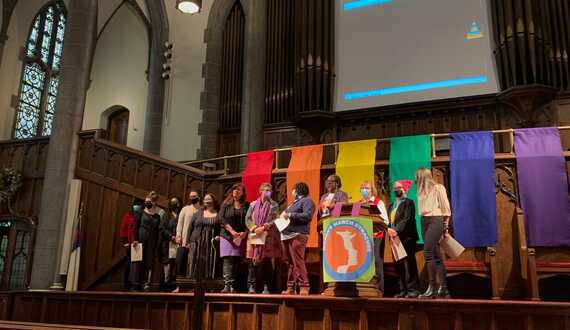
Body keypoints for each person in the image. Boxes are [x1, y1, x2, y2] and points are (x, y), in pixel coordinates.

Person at [416, 168, 452, 299]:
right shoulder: (420, 191)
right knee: (436, 256)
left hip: (435, 220)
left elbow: (446, 208)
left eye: (417, 176)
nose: (416, 179)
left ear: (423, 176)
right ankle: (444, 288)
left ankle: (432, 288)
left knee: (428, 253)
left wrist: (446, 226)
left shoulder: (438, 188)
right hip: (424, 221)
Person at [245, 183, 281, 294]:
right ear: (260, 191)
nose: (267, 192)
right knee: (252, 261)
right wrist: (254, 228)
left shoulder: (274, 204)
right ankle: (251, 285)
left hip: (268, 236)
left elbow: (276, 219)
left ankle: (266, 286)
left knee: (267, 262)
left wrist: (265, 226)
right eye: (265, 190)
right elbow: (247, 218)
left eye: (269, 190)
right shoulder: (253, 204)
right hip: (255, 234)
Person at [280, 182, 315, 295]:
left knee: (298, 261)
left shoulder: (307, 201)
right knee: (290, 263)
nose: (292, 192)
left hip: (298, 234)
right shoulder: (293, 203)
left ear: (297, 190)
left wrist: (290, 215)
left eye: (293, 189)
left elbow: (307, 216)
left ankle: (304, 286)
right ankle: (290, 287)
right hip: (286, 235)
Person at [389, 180, 420, 298]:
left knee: (409, 264)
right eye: (395, 188)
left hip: (407, 237)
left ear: (404, 189)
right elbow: (388, 220)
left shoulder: (409, 203)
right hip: (394, 238)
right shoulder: (391, 205)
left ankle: (413, 289)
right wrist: (389, 229)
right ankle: (402, 289)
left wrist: (396, 230)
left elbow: (407, 219)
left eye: (399, 187)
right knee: (399, 264)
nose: (396, 190)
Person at [359, 180, 389, 294]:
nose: (364, 190)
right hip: (362, 236)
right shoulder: (358, 204)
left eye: (367, 188)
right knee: (364, 261)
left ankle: (379, 288)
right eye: (362, 188)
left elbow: (385, 220)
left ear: (372, 190)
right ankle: (365, 286)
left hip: (376, 235)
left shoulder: (378, 203)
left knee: (376, 260)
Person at [219, 184, 248, 293]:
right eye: (234, 189)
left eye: (239, 190)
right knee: (228, 259)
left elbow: (250, 220)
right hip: (227, 236)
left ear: (243, 193)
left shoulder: (246, 205)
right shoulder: (226, 204)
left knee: (236, 260)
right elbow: (221, 219)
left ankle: (233, 286)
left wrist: (245, 232)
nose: (236, 191)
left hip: (240, 236)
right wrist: (232, 231)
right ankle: (227, 284)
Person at [187, 193, 221, 281]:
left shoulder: (219, 214)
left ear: (214, 201)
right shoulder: (198, 213)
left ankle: (208, 283)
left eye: (209, 199)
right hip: (197, 241)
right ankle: (193, 284)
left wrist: (219, 236)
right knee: (195, 262)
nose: (207, 201)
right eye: (205, 200)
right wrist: (188, 242)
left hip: (211, 242)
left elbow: (222, 227)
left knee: (209, 262)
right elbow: (190, 227)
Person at [131, 191, 161, 291]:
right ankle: (135, 284)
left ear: (154, 202)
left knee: (148, 262)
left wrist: (156, 244)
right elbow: (135, 226)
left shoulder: (157, 216)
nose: (147, 203)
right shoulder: (139, 212)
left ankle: (144, 283)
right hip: (140, 238)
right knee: (137, 261)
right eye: (146, 201)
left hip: (151, 240)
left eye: (149, 201)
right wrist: (135, 239)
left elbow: (157, 231)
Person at [119, 198, 144, 291]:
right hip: (130, 245)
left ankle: (137, 284)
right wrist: (125, 242)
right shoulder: (128, 215)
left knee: (138, 266)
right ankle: (127, 284)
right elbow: (122, 229)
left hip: (138, 245)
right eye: (135, 205)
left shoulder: (142, 216)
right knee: (128, 265)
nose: (136, 207)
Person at [175, 190, 201, 277]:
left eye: (194, 196)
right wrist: (178, 236)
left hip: (196, 240)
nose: (192, 198)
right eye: (191, 196)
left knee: (193, 263)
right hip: (184, 239)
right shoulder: (185, 209)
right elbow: (180, 224)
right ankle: (179, 285)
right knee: (181, 262)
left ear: (199, 197)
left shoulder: (202, 210)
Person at [159, 196, 182, 290]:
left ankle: (175, 284)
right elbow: (162, 229)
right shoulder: (166, 214)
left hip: (179, 242)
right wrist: (172, 237)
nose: (176, 204)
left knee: (176, 263)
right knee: (167, 264)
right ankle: (166, 284)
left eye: (177, 202)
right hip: (168, 242)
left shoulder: (181, 214)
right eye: (173, 202)